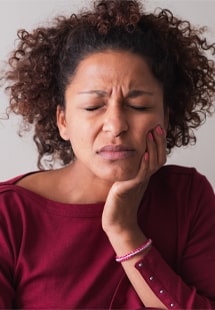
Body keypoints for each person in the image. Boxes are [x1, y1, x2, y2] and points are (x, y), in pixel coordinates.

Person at [0, 0, 215, 308]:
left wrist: (124, 229)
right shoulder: (9, 216)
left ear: (165, 118)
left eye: (138, 106)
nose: (115, 125)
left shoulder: (188, 197)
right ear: (63, 120)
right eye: (92, 107)